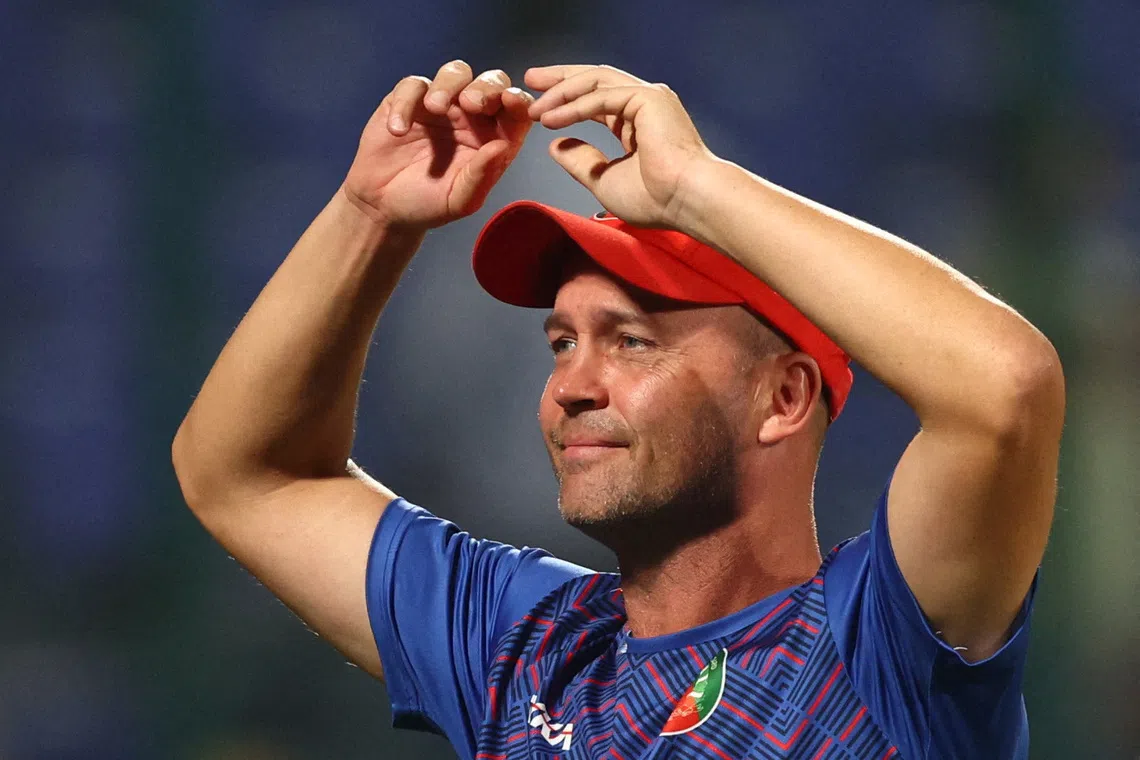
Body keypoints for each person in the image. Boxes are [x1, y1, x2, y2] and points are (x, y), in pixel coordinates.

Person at [172, 60, 1065, 759]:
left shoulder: (877, 648)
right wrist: (370, 216)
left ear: (783, 397)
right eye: (562, 343)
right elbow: (244, 474)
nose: (571, 387)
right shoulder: (527, 648)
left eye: (632, 341)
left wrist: (692, 192)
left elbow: (1005, 388)